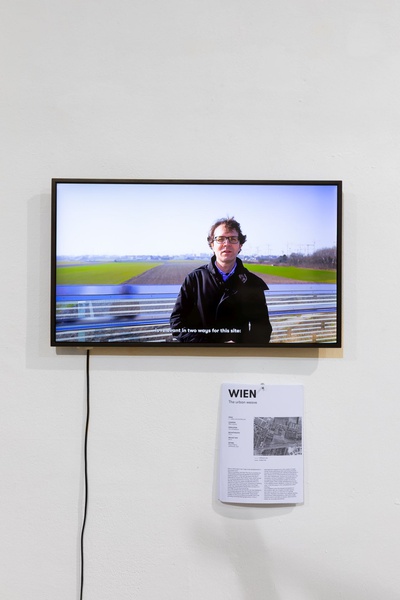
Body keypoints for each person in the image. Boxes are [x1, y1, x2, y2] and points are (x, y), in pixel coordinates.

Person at [170, 217, 272, 344]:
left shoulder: (252, 283)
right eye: (220, 239)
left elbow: (262, 328)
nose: (227, 244)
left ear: (240, 245)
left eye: (233, 239)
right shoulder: (194, 280)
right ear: (212, 245)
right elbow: (177, 322)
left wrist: (241, 348)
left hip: (239, 354)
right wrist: (210, 345)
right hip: (201, 352)